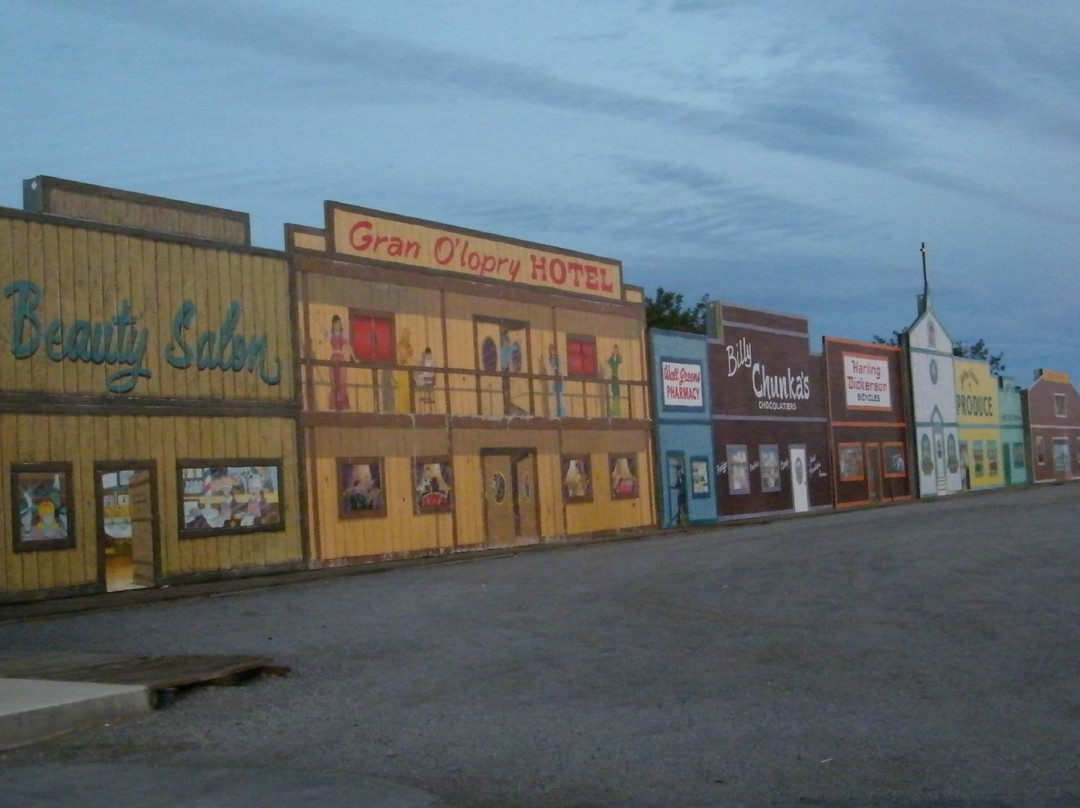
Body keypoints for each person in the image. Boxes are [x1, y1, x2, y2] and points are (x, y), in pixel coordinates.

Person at [327, 315, 354, 411]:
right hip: (333, 357)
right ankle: (333, 406)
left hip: (341, 357)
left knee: (342, 382)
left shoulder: (344, 334)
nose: (337, 325)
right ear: (333, 324)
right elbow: (323, 332)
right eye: (335, 323)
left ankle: (343, 406)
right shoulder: (331, 333)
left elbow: (348, 347)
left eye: (338, 323)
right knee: (333, 383)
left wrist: (354, 358)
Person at [548, 343, 565, 418]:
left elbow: (557, 367)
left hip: (559, 378)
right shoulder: (552, 358)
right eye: (551, 350)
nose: (552, 352)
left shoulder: (557, 358)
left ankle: (562, 413)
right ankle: (557, 412)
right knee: (555, 396)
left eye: (553, 350)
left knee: (559, 396)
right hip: (555, 378)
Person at [607, 344, 623, 416]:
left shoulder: (619, 358)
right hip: (613, 377)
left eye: (617, 349)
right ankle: (614, 410)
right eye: (615, 349)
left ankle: (617, 410)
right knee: (614, 393)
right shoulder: (611, 358)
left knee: (618, 393)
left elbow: (621, 365)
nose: (615, 351)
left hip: (618, 377)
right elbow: (608, 364)